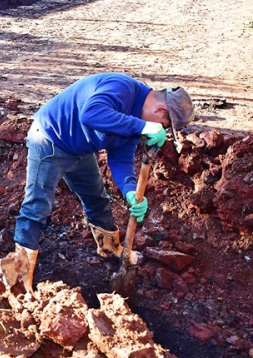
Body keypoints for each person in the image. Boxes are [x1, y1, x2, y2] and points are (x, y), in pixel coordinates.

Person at [13, 73, 194, 292]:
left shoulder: (137, 120)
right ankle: (18, 276)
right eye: (164, 126)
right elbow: (90, 114)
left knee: (96, 198)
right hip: (51, 138)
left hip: (80, 149)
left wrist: (129, 191)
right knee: (37, 205)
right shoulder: (123, 88)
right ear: (161, 111)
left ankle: (109, 248)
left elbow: (121, 158)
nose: (160, 131)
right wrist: (141, 126)